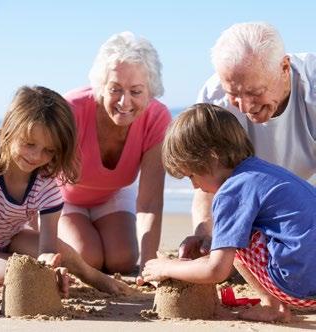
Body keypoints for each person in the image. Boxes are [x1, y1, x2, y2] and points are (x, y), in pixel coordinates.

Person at [142, 103, 316, 323]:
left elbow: (216, 270)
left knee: (235, 239)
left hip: (299, 284)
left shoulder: (231, 190)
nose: (195, 186)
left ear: (212, 157)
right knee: (236, 233)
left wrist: (169, 266)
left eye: (191, 175)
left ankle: (272, 306)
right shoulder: (261, 171)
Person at [0, 86, 131, 303]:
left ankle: (92, 276)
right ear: (9, 130)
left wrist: (49, 264)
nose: (36, 156)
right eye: (29, 144)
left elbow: (47, 248)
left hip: (9, 239)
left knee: (55, 258)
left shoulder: (45, 183)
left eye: (49, 150)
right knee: (22, 274)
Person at [186, 21, 316, 259]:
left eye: (255, 93)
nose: (245, 107)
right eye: (233, 94)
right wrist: (205, 231)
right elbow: (208, 178)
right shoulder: (213, 99)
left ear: (284, 67)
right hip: (252, 195)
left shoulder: (313, 86)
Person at [58, 31, 172, 285]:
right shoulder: (71, 109)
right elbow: (39, 177)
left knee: (123, 259)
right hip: (63, 198)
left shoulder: (157, 118)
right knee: (88, 257)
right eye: (115, 89)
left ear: (151, 90)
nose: (124, 101)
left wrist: (148, 267)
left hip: (112, 194)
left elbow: (150, 201)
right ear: (101, 85)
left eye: (136, 91)